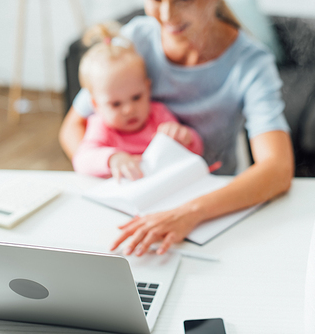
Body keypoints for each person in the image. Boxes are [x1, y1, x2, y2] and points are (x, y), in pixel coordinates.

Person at [59, 0, 294, 256]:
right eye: (157, 0)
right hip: (131, 198)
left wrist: (190, 212)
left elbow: (277, 169)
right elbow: (73, 126)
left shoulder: (251, 64)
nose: (167, 15)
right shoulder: (133, 41)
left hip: (208, 209)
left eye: (183, 0)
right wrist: (109, 176)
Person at [73, 23, 203, 180]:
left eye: (136, 97)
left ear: (148, 89)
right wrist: (113, 159)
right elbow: (81, 160)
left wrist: (186, 137)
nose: (129, 109)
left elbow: (196, 152)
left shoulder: (158, 115)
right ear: (95, 105)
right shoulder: (101, 126)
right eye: (116, 104)